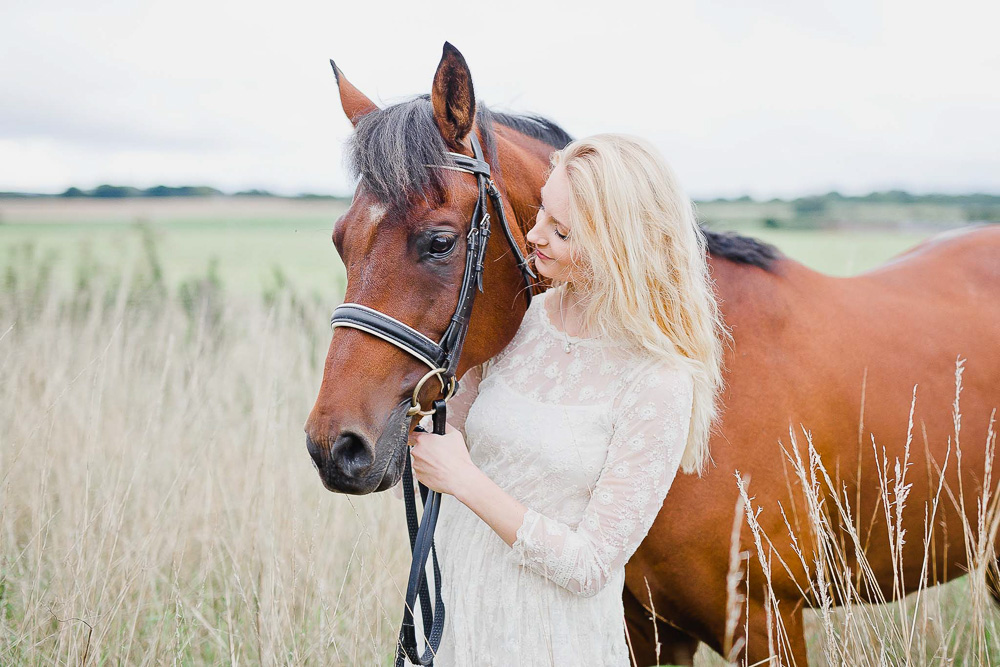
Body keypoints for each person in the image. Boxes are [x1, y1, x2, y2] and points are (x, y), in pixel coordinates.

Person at [407, 134, 731, 666]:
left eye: (561, 232)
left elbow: (590, 566)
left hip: (545, 637)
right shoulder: (521, 317)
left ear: (621, 248)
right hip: (455, 608)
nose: (533, 236)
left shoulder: (658, 382)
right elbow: (450, 434)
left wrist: (463, 480)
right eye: (541, 214)